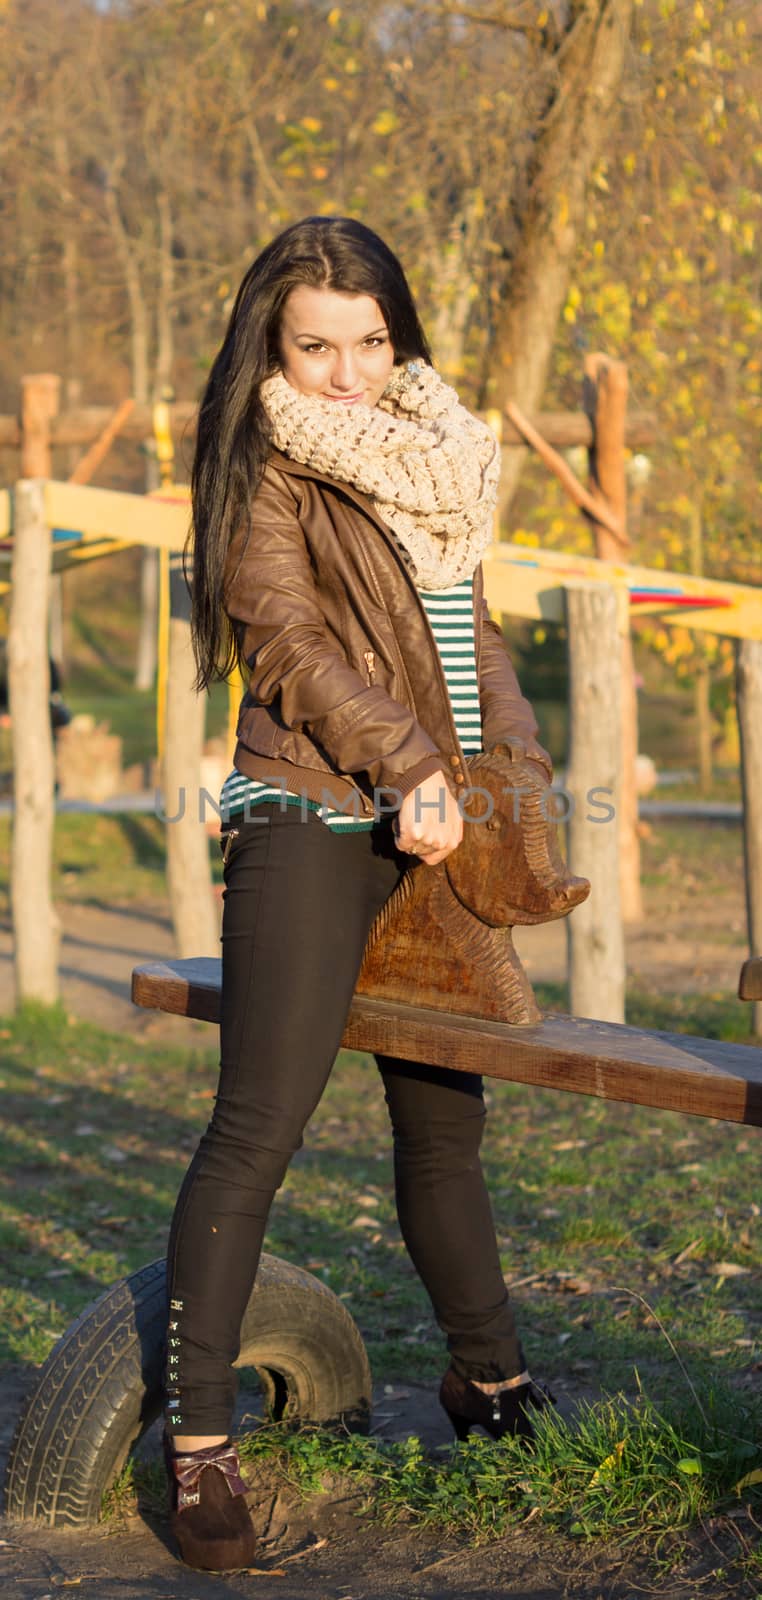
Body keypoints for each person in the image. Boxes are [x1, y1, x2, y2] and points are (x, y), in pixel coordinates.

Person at [165, 215, 555, 1573]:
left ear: (402, 336)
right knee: (259, 1124)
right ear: (271, 345)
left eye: (370, 340)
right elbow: (290, 641)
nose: (347, 371)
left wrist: (508, 758)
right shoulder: (261, 466)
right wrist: (403, 767)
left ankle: (488, 1385)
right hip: (316, 808)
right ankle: (201, 1450)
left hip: (441, 820)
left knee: (445, 1132)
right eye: (316, 344)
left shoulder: (433, 457)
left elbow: (467, 625)